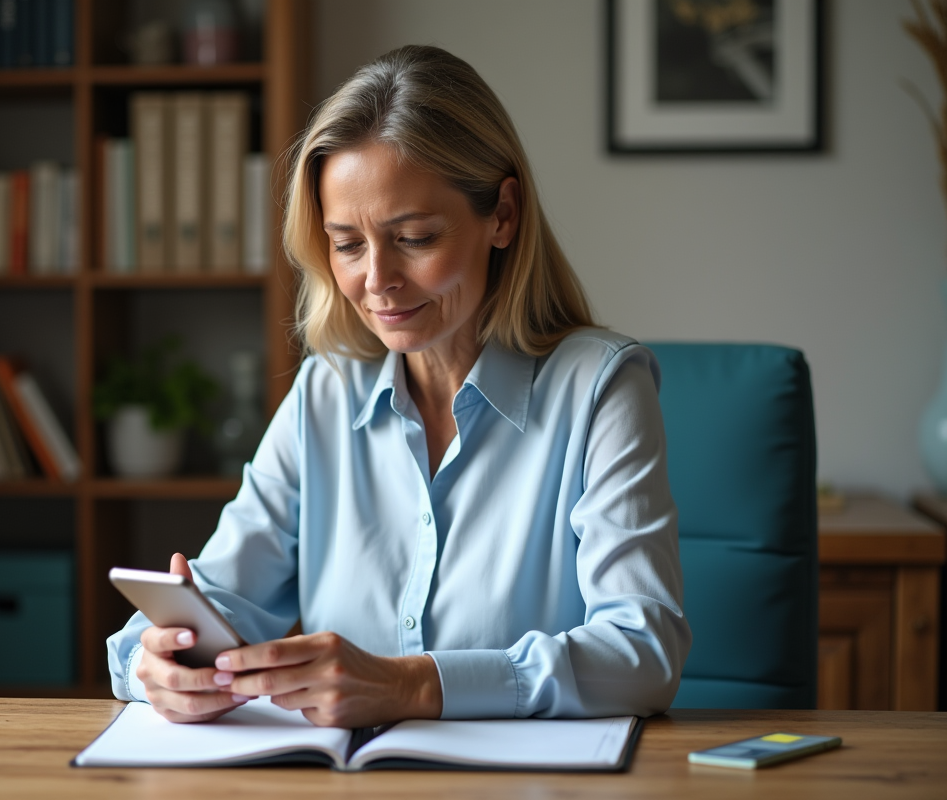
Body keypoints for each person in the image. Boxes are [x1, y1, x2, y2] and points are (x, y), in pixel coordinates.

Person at [107, 44, 691, 728]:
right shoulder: (325, 392)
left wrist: (412, 686)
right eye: (347, 244)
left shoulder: (600, 388)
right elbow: (220, 596)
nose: (376, 280)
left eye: (413, 238)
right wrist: (155, 662)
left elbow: (643, 651)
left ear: (502, 215)